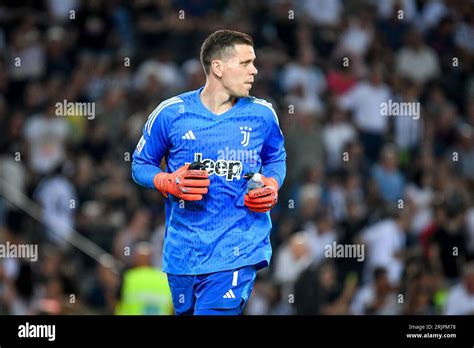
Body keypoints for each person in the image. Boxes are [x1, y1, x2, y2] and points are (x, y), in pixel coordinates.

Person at [131, 30, 286, 315]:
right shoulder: (171, 113)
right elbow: (140, 164)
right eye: (245, 63)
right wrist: (166, 180)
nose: (254, 70)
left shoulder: (262, 114)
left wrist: (272, 184)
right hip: (182, 253)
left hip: (236, 248)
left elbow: (276, 157)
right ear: (218, 67)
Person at [115, 242, 173, 315]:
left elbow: (116, 300)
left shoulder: (128, 276)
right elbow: (172, 306)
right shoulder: (164, 278)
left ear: (135, 259)